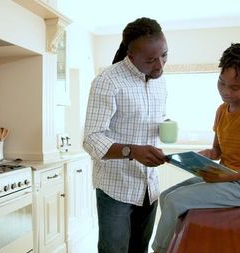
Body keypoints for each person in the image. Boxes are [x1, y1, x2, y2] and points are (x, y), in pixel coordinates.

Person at [151, 42, 240, 253]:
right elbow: (216, 152)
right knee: (165, 196)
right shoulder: (221, 110)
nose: (226, 92)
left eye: (235, 87)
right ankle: (177, 246)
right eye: (221, 83)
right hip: (226, 176)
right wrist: (195, 157)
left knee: (174, 201)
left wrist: (230, 177)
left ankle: (160, 250)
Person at [83, 17, 169, 253]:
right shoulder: (108, 81)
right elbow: (91, 138)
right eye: (151, 60)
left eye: (164, 55)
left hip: (149, 186)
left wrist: (164, 125)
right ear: (131, 56)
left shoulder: (160, 82)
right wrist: (132, 151)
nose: (160, 65)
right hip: (116, 187)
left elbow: (147, 120)